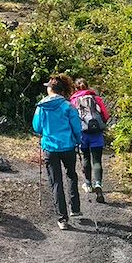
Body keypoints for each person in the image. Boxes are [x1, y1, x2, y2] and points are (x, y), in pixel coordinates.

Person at [33, 73, 82, 230]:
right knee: (71, 175)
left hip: (50, 148)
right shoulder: (68, 106)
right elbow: (76, 127)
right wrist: (78, 140)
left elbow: (37, 127)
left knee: (56, 182)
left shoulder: (41, 106)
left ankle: (62, 219)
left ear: (51, 89)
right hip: (68, 146)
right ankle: (75, 208)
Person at [70, 78, 110, 203]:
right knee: (97, 160)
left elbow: (72, 118)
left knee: (86, 158)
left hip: (83, 134)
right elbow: (106, 115)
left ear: (75, 88)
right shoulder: (96, 98)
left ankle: (88, 184)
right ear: (88, 87)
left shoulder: (73, 100)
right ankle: (98, 183)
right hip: (96, 133)